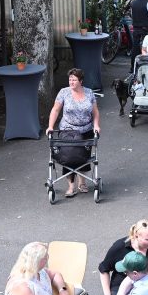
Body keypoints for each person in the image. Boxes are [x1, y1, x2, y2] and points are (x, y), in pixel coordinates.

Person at [46, 68, 100, 198]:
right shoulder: (64, 92)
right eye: (70, 79)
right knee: (69, 157)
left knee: (83, 156)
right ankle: (71, 186)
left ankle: (82, 182)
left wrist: (96, 125)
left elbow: (95, 112)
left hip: (86, 129)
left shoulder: (89, 93)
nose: (71, 82)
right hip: (68, 130)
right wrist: (50, 126)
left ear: (81, 81)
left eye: (74, 79)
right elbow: (55, 110)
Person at [5, 242, 70, 295]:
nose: (47, 259)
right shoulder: (21, 286)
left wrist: (62, 290)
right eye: (45, 257)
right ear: (36, 261)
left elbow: (55, 274)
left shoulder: (38, 271)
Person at [129, 0, 148, 72]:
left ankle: (133, 67)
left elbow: (132, 15)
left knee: (135, 47)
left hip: (136, 28)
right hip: (145, 28)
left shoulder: (132, 2)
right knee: (146, 48)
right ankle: (145, 66)